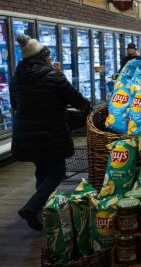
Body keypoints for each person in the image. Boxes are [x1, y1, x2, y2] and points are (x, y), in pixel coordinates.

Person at [10, 35, 91, 231]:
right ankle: (31, 208)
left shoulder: (16, 78)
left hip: (26, 135)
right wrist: (88, 109)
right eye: (49, 55)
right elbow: (76, 99)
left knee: (43, 170)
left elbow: (15, 106)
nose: (50, 59)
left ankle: (42, 209)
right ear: (42, 57)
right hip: (51, 134)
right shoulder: (53, 76)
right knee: (57, 172)